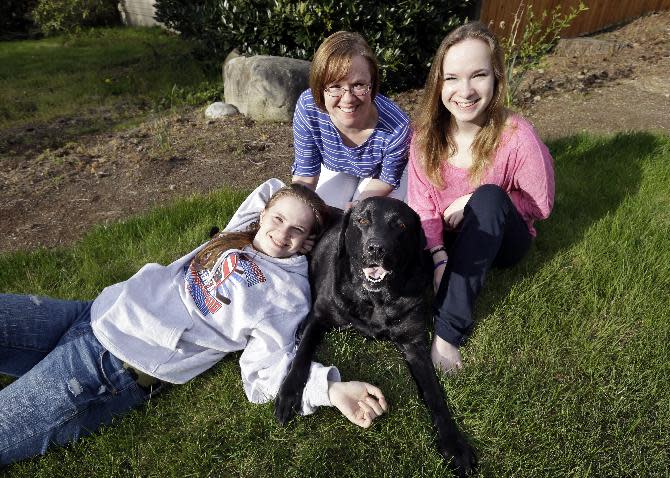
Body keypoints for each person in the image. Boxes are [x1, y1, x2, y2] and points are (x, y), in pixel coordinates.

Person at [0, 179, 387, 465]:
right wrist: (301, 205)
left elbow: (266, 369)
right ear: (263, 214)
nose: (281, 232)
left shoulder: (287, 293)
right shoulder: (241, 232)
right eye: (278, 218)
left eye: (297, 230)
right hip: (95, 312)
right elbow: (269, 187)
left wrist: (330, 389)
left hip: (111, 366)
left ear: (307, 242)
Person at [407, 22, 555, 372]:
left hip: (502, 238)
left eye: (479, 75)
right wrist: (439, 257)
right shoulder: (425, 136)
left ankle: (447, 332)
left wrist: (475, 198)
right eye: (452, 78)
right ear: (438, 83)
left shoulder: (516, 136)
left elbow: (541, 205)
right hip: (448, 239)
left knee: (488, 198)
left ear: (497, 78)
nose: (466, 90)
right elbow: (422, 206)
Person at [291, 31, 411, 211]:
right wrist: (294, 209)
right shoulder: (309, 108)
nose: (347, 99)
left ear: (373, 84)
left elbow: (387, 179)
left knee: (367, 216)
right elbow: (306, 175)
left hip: (380, 178)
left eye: (358, 85)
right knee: (321, 210)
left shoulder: (398, 128)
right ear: (320, 88)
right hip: (337, 170)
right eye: (335, 86)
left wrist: (359, 205)